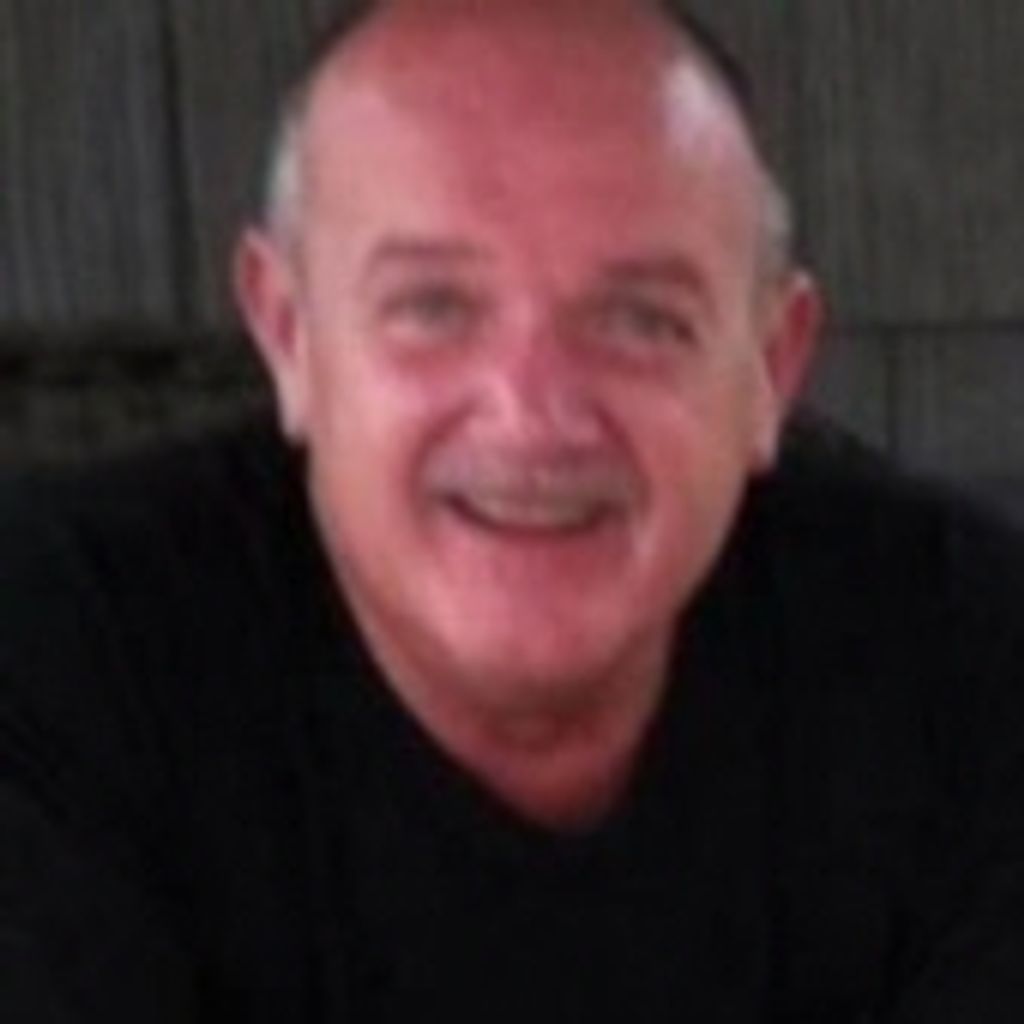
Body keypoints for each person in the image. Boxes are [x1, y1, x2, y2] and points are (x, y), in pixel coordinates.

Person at [2, 1, 1024, 1021]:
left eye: (640, 320)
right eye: (433, 307)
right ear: (288, 334)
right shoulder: (52, 656)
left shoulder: (973, 657)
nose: (533, 414)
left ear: (769, 366)